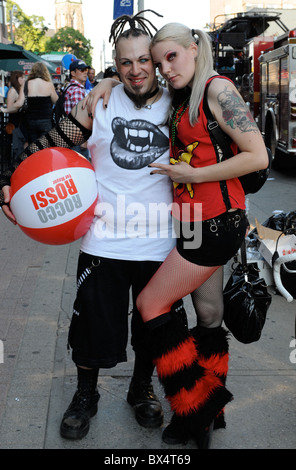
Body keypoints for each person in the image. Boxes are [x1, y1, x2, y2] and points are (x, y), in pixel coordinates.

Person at [0, 11, 187, 443]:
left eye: (144, 60)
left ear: (156, 61)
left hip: (161, 241)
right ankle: (86, 395)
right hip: (104, 239)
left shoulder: (178, 103)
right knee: (90, 329)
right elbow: (47, 145)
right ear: (115, 65)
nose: (136, 70)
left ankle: (142, 390)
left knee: (151, 328)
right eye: (126, 62)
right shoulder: (98, 102)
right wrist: (10, 181)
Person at [131, 23, 269, 447]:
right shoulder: (182, 95)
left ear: (194, 48)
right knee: (208, 317)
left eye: (172, 57)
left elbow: (257, 154)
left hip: (216, 223)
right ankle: (212, 416)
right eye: (159, 63)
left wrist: (193, 174)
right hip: (191, 220)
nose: (165, 69)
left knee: (151, 303)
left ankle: (194, 407)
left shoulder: (216, 88)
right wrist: (103, 87)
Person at [24, 62, 58, 143]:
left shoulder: (27, 83)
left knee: (33, 147)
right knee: (45, 147)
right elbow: (56, 100)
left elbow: (21, 102)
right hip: (45, 119)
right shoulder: (49, 84)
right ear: (45, 72)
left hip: (31, 120)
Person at [64, 59, 90, 159]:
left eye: (86, 70)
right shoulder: (77, 90)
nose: (85, 72)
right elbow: (80, 117)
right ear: (73, 73)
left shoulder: (69, 87)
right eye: (81, 70)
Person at [0, 71, 27, 160]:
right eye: (21, 78)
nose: (24, 79)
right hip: (16, 123)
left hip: (22, 122)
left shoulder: (21, 90)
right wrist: (19, 107)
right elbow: (10, 108)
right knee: (17, 147)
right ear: (16, 79)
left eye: (24, 77)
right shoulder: (12, 90)